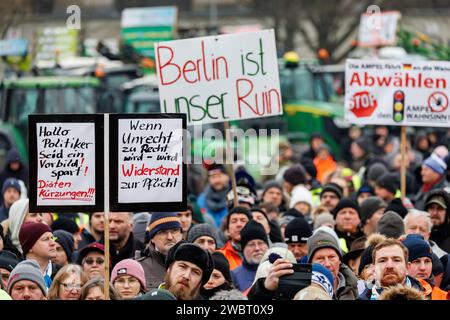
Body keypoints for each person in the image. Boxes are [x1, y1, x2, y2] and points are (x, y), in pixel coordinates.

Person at [358, 238, 425, 300]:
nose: (389, 266)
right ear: (374, 268)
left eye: (396, 260)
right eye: (382, 261)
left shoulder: (429, 295)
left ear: (407, 267)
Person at [136, 212, 182, 290]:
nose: (170, 237)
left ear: (181, 234)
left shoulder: (192, 263)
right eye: (163, 232)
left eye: (174, 230)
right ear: (152, 238)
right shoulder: (139, 267)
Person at [307, 230, 358, 299]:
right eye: (320, 258)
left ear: (339, 260)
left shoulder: (357, 289)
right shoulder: (302, 292)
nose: (327, 264)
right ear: (311, 263)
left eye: (331, 257)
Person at [401, 234, 449, 300]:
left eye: (427, 261)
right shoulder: (389, 294)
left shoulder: (444, 296)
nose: (423, 268)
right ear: (404, 264)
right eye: (416, 261)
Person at [231, 220, 269, 293]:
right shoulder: (233, 276)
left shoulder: (277, 270)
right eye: (251, 244)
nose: (257, 248)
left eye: (260, 243)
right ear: (243, 249)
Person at [19, 222, 60, 289]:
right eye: (46, 239)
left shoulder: (62, 273)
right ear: (30, 247)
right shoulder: (17, 273)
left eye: (52, 238)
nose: (53, 243)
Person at [197, 163, 230, 228]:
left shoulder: (233, 197)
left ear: (227, 177)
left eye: (219, 176)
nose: (217, 180)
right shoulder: (202, 199)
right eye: (213, 177)